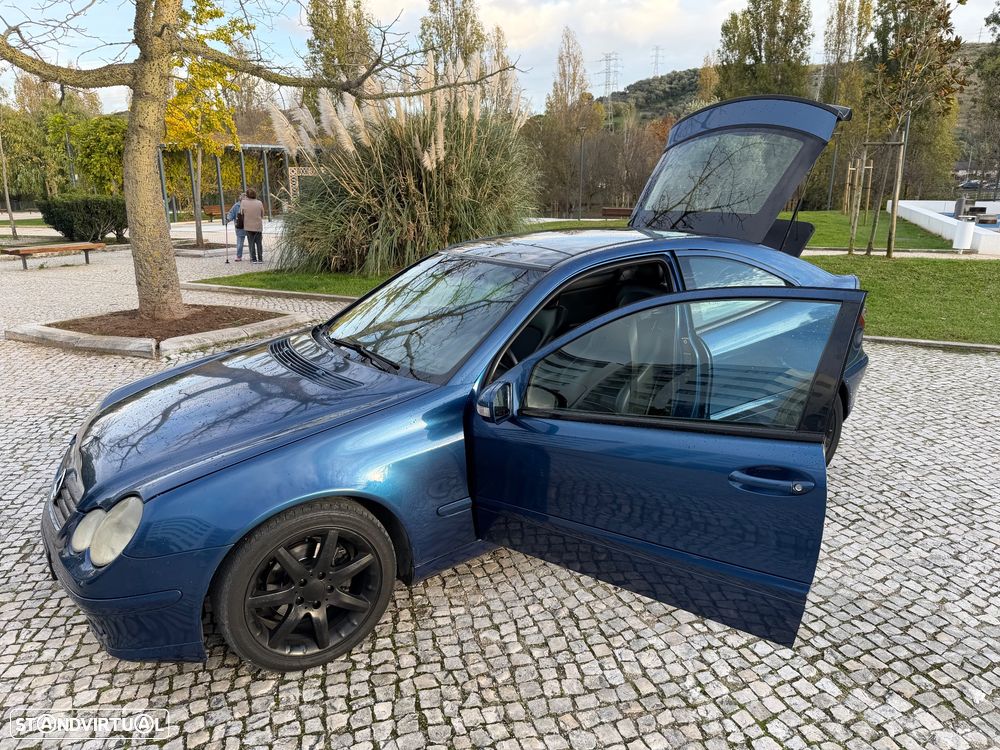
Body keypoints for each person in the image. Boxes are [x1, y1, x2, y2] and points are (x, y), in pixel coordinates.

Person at [240, 189, 266, 264]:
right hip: (258, 226)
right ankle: (260, 258)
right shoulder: (259, 202)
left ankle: (253, 258)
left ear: (247, 195)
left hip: (248, 226)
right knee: (259, 243)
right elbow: (262, 214)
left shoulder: (243, 202)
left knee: (251, 243)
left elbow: (241, 212)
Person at [224, 193, 247, 261]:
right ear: (240, 199)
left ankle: (252, 256)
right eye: (243, 198)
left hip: (249, 226)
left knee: (251, 242)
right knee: (240, 242)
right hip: (240, 226)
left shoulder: (249, 205)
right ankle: (239, 256)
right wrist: (228, 219)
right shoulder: (236, 206)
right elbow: (231, 213)